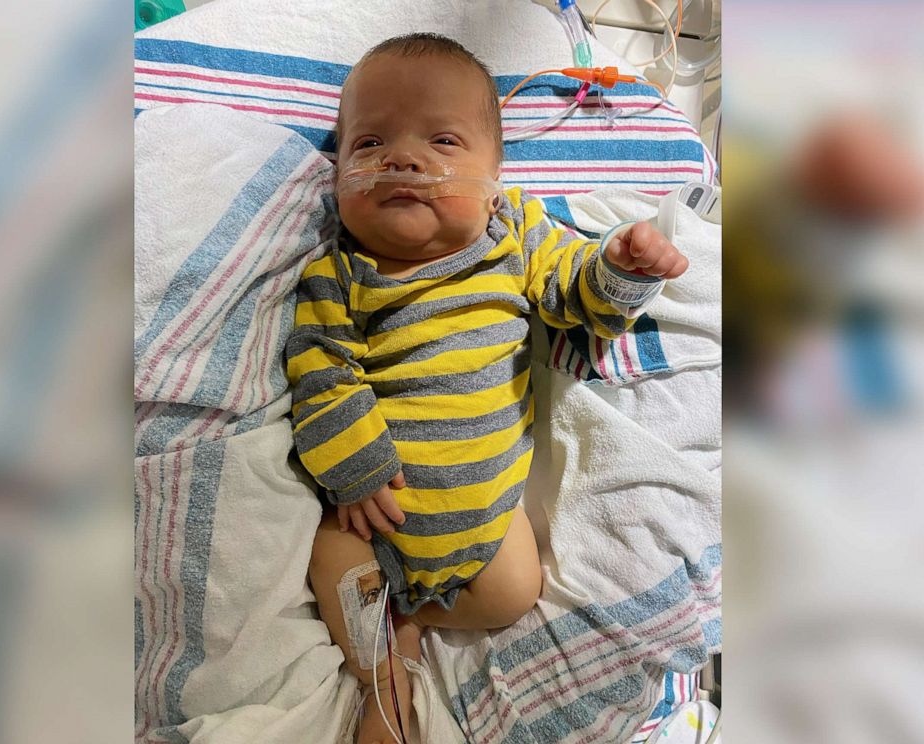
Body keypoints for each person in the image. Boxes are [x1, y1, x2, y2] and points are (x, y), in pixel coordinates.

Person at [286, 33, 689, 744]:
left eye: (443, 140)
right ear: (338, 172)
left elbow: (576, 300)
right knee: (326, 561)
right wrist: (352, 464)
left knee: (514, 592)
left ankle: (408, 618)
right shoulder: (340, 271)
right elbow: (320, 366)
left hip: (484, 525)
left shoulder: (513, 234)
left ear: (497, 177)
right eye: (369, 144)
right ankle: (385, 676)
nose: (403, 160)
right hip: (368, 513)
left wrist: (622, 267)